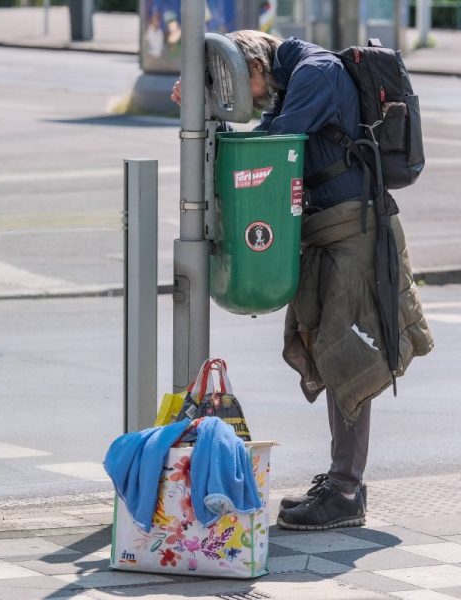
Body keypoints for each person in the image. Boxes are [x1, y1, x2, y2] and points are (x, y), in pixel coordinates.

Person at [172, 31, 433, 531]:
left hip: (354, 229)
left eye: (236, 82)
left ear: (254, 63)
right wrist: (202, 107)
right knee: (323, 343)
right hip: (327, 228)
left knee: (346, 352)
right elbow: (260, 135)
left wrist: (211, 113)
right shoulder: (293, 78)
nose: (246, 97)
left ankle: (346, 489)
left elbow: (268, 146)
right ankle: (342, 482)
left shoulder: (315, 73)